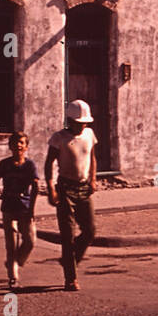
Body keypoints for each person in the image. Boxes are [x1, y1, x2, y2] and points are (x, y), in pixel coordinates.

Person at [45, 99, 98, 291]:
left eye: (84, 122)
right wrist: (50, 187)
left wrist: (93, 178)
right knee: (67, 235)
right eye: (79, 122)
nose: (82, 125)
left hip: (84, 188)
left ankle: (71, 259)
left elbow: (92, 157)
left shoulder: (90, 134)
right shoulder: (59, 138)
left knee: (90, 230)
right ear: (70, 120)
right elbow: (49, 163)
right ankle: (71, 278)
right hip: (65, 188)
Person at [0, 133, 41, 289]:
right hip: (9, 207)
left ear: (26, 147)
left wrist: (32, 209)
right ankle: (13, 278)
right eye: (15, 142)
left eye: (21, 143)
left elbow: (36, 186)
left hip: (25, 207)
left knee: (30, 241)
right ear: (10, 146)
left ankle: (15, 262)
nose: (18, 145)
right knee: (11, 244)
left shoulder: (30, 165)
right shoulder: (4, 164)